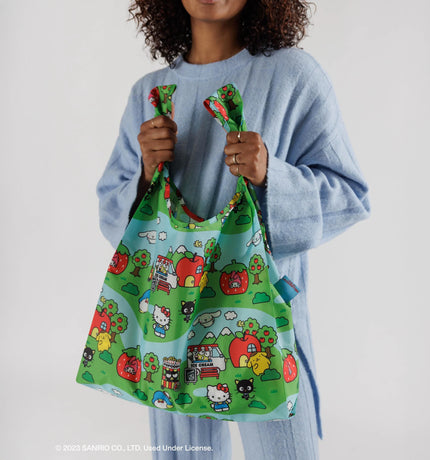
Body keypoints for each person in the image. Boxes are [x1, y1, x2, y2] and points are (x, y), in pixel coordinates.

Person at [95, 0, 371, 458]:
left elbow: (350, 195)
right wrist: (145, 176)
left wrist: (271, 175)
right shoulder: (150, 91)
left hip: (259, 323)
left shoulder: (293, 77)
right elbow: (111, 211)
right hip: (171, 323)